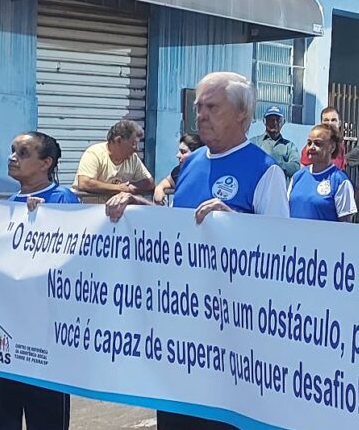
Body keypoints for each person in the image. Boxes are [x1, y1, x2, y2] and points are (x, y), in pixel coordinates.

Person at [106, 72, 287, 430]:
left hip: (230, 343)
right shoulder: (190, 164)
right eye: (198, 108)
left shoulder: (266, 172)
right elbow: (178, 232)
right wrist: (140, 208)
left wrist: (234, 222)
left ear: (242, 114)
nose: (201, 116)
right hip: (180, 336)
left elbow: (279, 254)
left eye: (212, 107)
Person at [0, 131, 79, 430]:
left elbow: (76, 254)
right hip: (5, 330)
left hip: (44, 334)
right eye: (13, 150)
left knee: (45, 415)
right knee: (1, 414)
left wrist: (46, 220)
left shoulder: (62, 199)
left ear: (45, 163)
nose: (13, 158)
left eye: (23, 153)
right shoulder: (7, 205)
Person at [289, 124, 356, 222]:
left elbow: (345, 223)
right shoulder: (297, 176)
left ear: (332, 147)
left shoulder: (340, 181)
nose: (312, 147)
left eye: (317, 143)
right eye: (309, 143)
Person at [72, 120, 153, 198]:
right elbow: (84, 183)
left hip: (117, 207)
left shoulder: (133, 158)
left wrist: (132, 188)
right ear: (118, 140)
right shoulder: (94, 153)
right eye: (133, 143)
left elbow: (149, 182)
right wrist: (119, 188)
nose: (137, 148)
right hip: (89, 206)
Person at [250, 105, 300, 182]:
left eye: (278, 120)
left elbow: (296, 167)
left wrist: (277, 165)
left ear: (283, 122)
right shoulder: (255, 142)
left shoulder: (289, 145)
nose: (275, 123)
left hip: (280, 187)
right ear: (265, 121)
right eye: (271, 120)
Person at [153, 133, 204, 205]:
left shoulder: (207, 173)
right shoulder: (179, 171)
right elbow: (168, 181)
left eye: (183, 152)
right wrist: (159, 188)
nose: (178, 155)